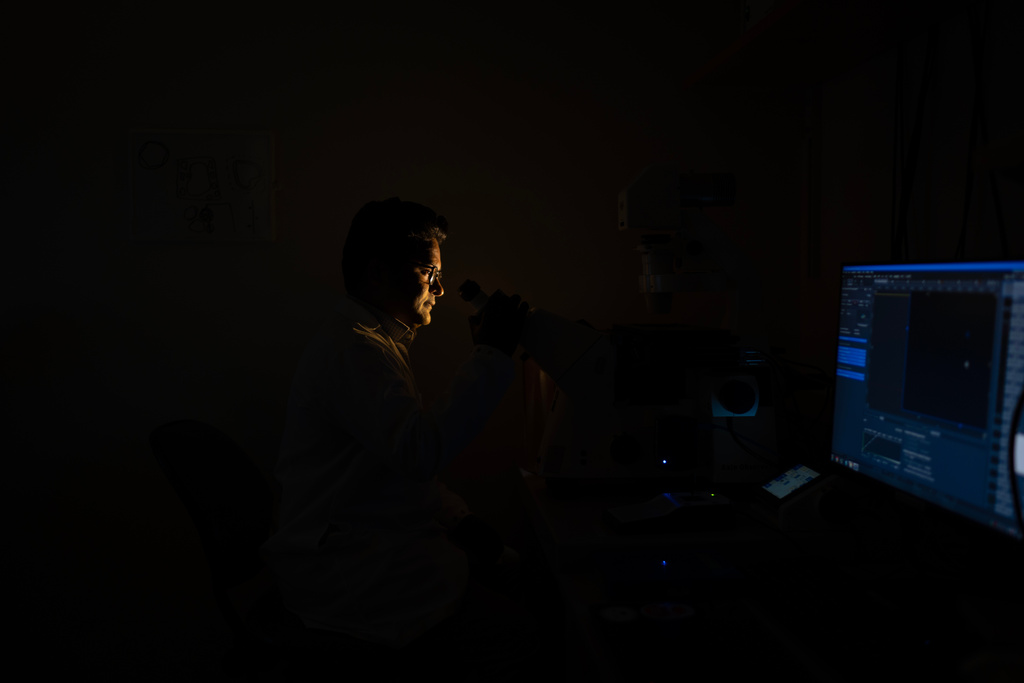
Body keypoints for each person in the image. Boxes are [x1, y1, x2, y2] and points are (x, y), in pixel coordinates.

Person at [260, 197, 549, 681]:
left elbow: (392, 465)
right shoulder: (356, 350)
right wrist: (492, 356)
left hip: (366, 546)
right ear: (377, 272)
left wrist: (458, 517)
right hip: (347, 574)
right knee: (518, 634)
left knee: (507, 569)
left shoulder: (374, 342)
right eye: (427, 272)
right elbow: (418, 453)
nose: (438, 289)